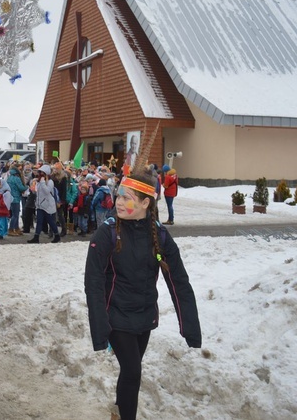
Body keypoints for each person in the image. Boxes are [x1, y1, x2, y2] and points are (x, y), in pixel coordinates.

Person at [84, 169, 201, 420]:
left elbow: (178, 280)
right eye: (119, 196)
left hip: (144, 316)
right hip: (115, 315)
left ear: (146, 202)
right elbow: (93, 282)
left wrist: (190, 326)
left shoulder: (158, 234)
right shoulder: (106, 232)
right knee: (133, 371)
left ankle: (119, 410)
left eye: (128, 198)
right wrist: (100, 325)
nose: (119, 203)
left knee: (129, 372)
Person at [26, 164, 60, 244]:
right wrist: (33, 187)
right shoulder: (39, 182)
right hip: (40, 205)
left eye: (42, 173)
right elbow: (36, 192)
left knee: (51, 221)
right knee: (39, 221)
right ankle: (36, 237)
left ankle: (57, 235)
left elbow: (47, 191)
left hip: (47, 205)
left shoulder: (50, 182)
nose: (40, 175)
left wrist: (42, 182)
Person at [6, 164, 28, 236]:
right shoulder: (17, 178)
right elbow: (21, 188)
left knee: (14, 214)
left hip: (10, 198)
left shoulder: (9, 178)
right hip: (16, 198)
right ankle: (11, 229)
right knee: (15, 215)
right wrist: (27, 186)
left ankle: (16, 228)